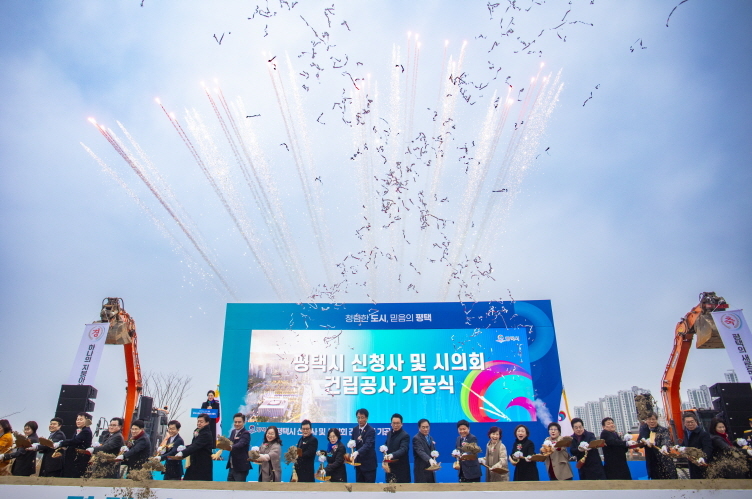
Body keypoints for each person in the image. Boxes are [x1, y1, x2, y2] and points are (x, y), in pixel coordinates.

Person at [638, 411, 677, 479]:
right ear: (646, 420)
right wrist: (643, 441)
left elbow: (666, 439)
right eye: (649, 419)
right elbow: (639, 443)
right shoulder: (644, 430)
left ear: (656, 420)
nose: (651, 421)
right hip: (652, 461)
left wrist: (664, 446)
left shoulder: (663, 430)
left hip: (663, 460)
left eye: (653, 419)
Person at [177, 413, 214, 481]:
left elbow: (196, 445)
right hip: (194, 462)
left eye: (201, 422)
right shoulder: (197, 431)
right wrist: (185, 447)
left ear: (207, 423)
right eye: (198, 421)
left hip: (202, 464)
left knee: (200, 484)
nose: (199, 423)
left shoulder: (206, 434)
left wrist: (183, 453)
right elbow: (193, 444)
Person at [57, 412, 93, 478]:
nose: (78, 421)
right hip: (73, 458)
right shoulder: (78, 430)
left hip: (79, 459)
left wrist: (61, 443)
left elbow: (75, 441)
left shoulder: (86, 431)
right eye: (77, 419)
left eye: (81, 419)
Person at [680, 412, 712, 479]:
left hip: (702, 464)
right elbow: (684, 445)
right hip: (692, 464)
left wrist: (703, 458)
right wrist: (677, 447)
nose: (690, 424)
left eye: (692, 422)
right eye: (688, 422)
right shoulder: (686, 433)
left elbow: (708, 448)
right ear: (684, 423)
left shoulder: (703, 434)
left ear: (696, 421)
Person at [350, 408, 377, 483]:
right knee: (359, 488)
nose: (360, 420)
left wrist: (357, 452)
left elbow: (368, 445)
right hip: (358, 465)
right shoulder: (355, 429)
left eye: (362, 417)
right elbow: (353, 442)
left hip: (369, 466)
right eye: (358, 418)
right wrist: (351, 445)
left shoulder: (371, 430)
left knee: (369, 488)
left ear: (366, 418)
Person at [382, 413, 410, 483]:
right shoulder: (389, 433)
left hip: (401, 470)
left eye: (397, 423)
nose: (395, 425)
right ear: (391, 424)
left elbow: (403, 449)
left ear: (402, 424)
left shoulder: (405, 435)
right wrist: (383, 449)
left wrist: (392, 455)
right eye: (394, 423)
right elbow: (387, 446)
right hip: (390, 469)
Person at [227, 413, 250, 482]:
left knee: (239, 487)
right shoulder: (233, 432)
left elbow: (240, 444)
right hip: (232, 466)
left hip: (241, 467)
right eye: (235, 422)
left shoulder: (246, 433)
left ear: (244, 422)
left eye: (239, 422)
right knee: (229, 487)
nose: (237, 424)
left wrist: (230, 447)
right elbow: (229, 441)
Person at [412, 419, 437, 483]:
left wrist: (434, 458)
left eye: (427, 427)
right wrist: (430, 459)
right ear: (419, 428)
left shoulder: (430, 438)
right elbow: (420, 451)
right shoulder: (416, 438)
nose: (426, 429)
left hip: (431, 471)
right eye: (423, 427)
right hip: (421, 471)